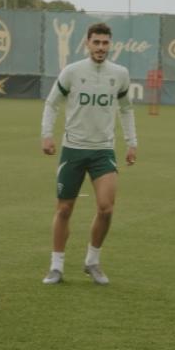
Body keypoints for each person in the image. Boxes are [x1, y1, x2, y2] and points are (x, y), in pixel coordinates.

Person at [40, 22, 137, 285]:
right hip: (73, 149)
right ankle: (56, 266)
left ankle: (92, 261)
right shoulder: (72, 71)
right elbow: (52, 103)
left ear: (110, 44)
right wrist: (47, 134)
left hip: (103, 151)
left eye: (105, 43)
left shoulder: (120, 74)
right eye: (96, 42)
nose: (101, 47)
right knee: (64, 209)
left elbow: (126, 109)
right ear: (87, 43)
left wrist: (132, 142)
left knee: (106, 209)